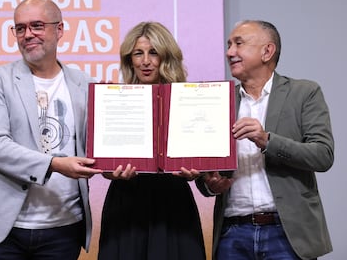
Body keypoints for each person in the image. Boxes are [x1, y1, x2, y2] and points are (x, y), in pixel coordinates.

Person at [0, 0, 102, 260]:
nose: (28, 34)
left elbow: (100, 145)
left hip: (64, 229)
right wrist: (55, 164)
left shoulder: (86, 83)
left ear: (59, 30)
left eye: (37, 25)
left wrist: (117, 167)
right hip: (3, 231)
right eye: (20, 28)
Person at [196, 20, 334, 260]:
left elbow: (323, 155)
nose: (230, 52)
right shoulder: (219, 101)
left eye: (238, 43)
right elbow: (204, 173)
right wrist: (209, 184)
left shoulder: (304, 93)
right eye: (229, 45)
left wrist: (267, 140)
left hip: (287, 234)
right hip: (232, 233)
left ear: (267, 51)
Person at [97, 21, 206, 260]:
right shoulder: (115, 101)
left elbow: (202, 162)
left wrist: (196, 171)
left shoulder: (188, 100)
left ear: (166, 57)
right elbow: (104, 168)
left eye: (153, 52)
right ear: (130, 59)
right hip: (126, 202)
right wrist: (110, 172)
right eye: (138, 53)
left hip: (173, 203)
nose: (145, 61)